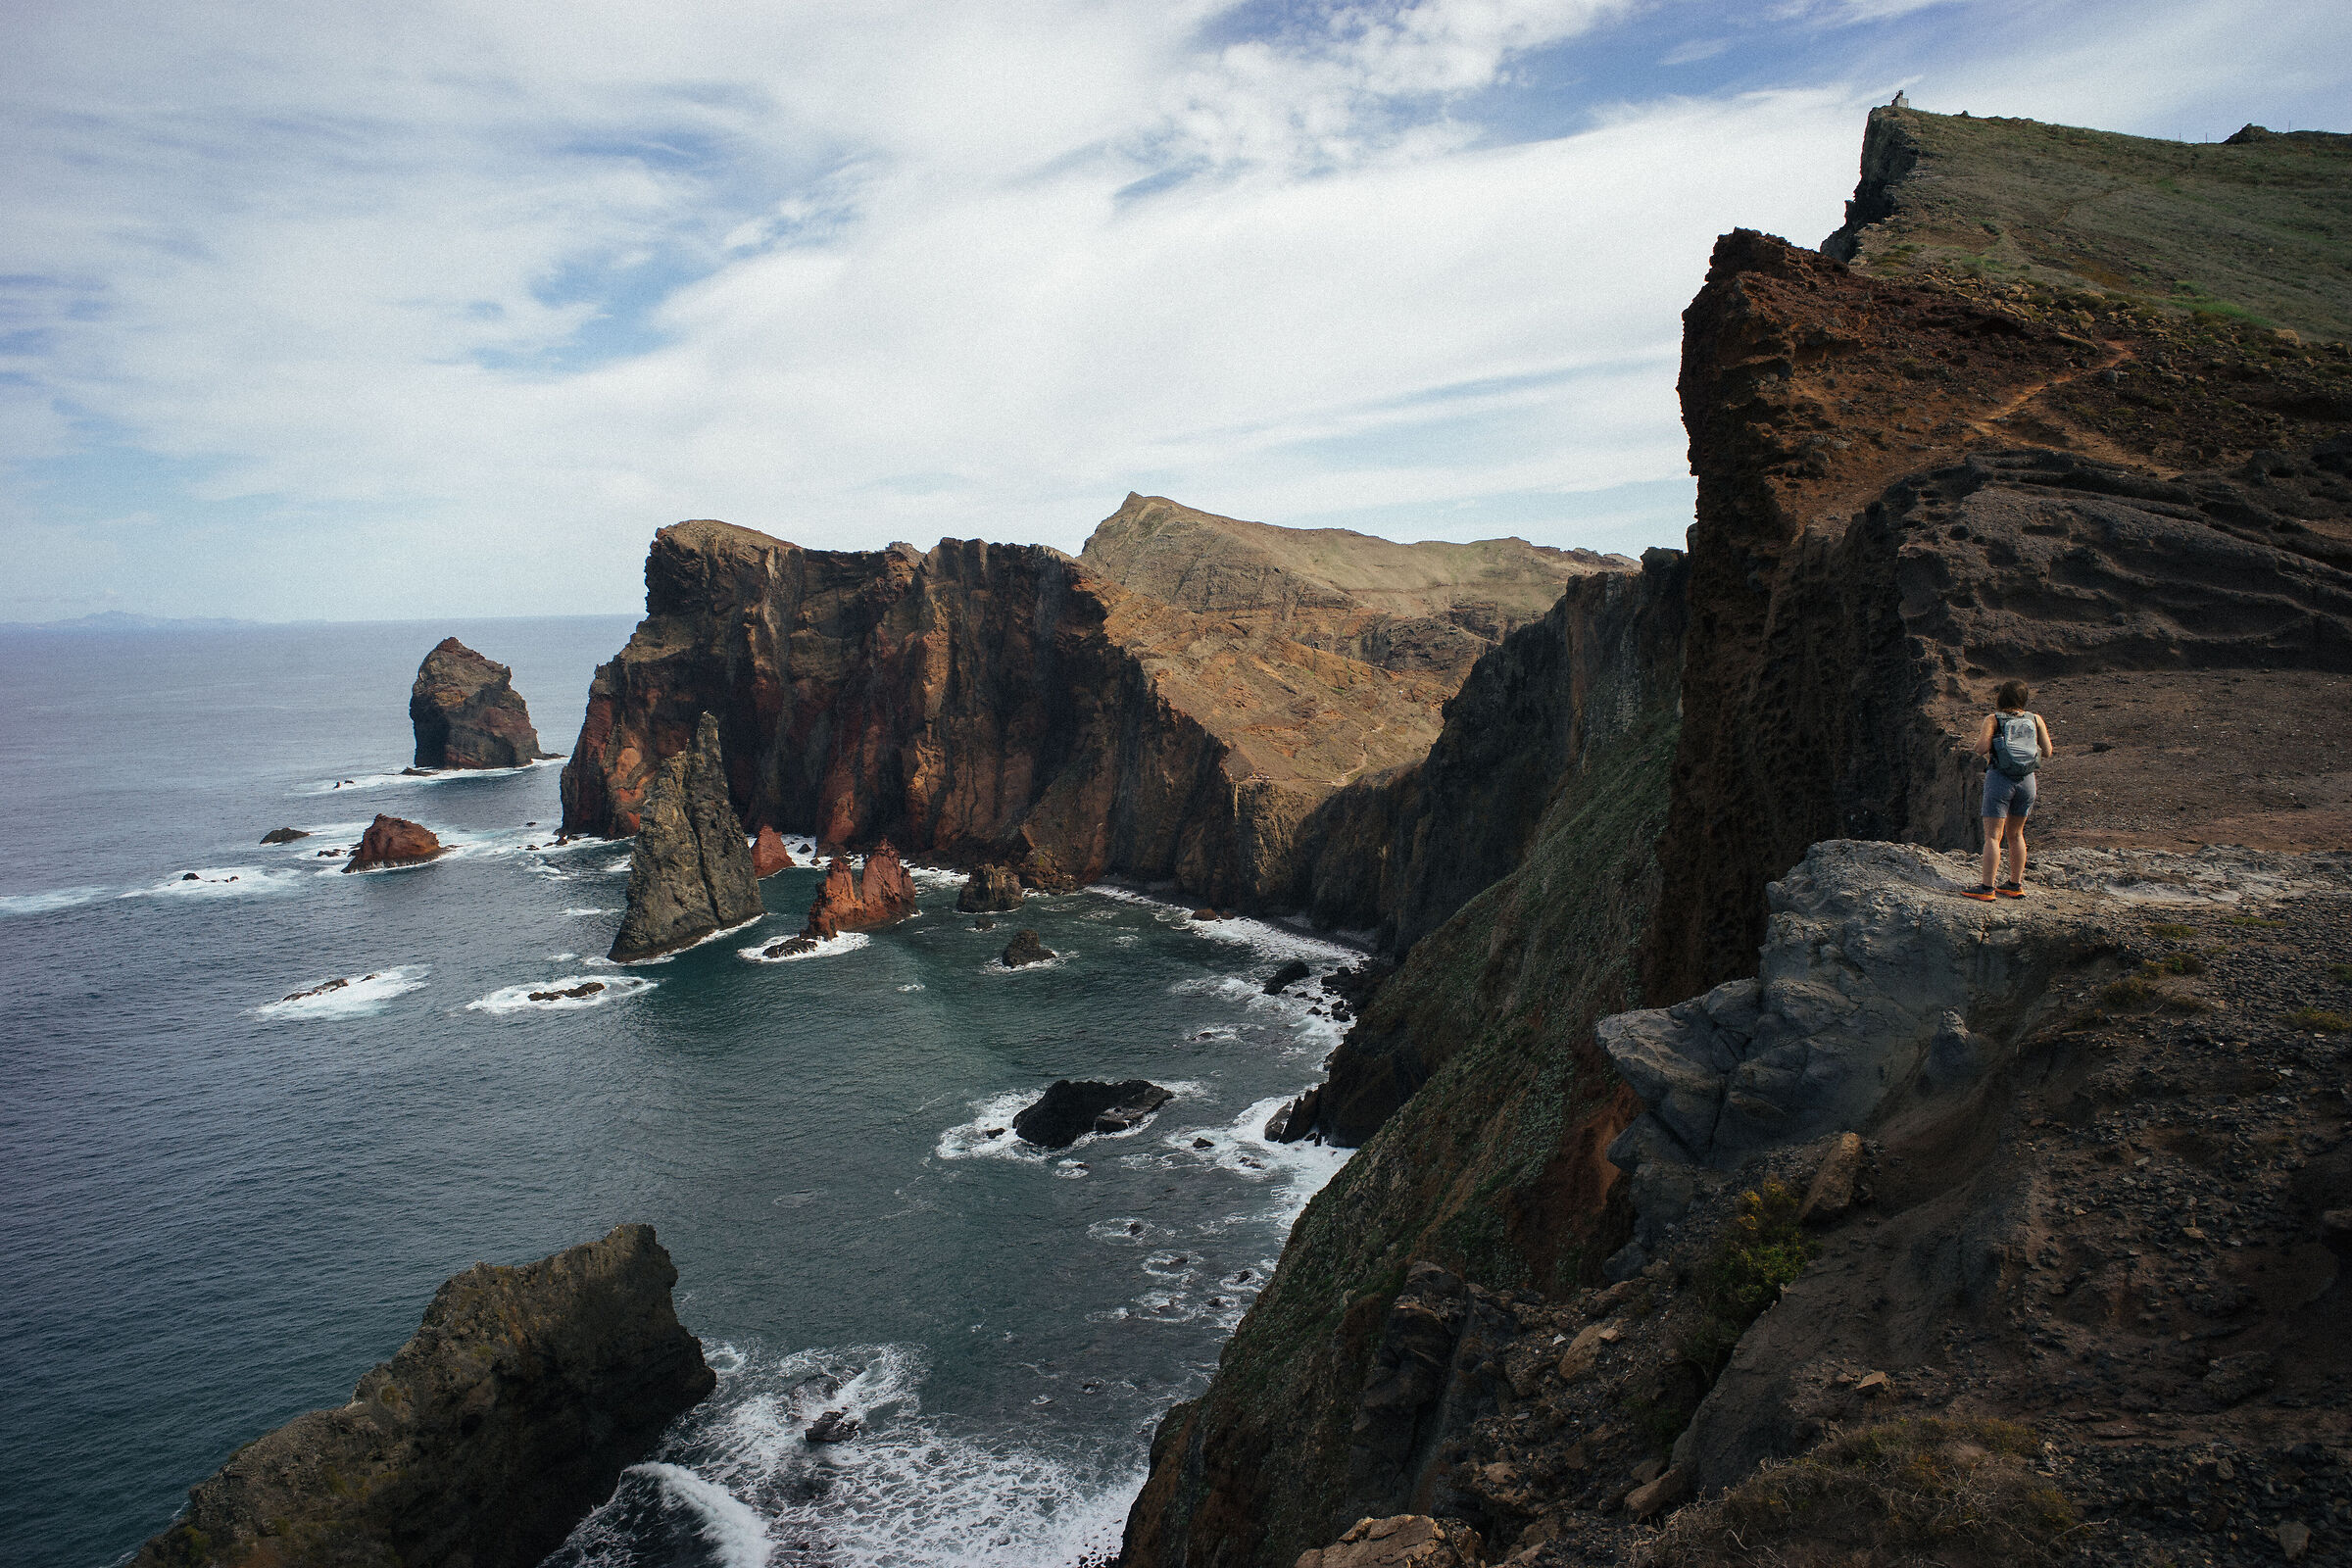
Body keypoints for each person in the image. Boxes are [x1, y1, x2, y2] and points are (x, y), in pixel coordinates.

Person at [1965, 680, 2055, 901]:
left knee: (1993, 836)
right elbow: (2048, 751)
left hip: (2000, 780)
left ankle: (1987, 888)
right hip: (2027, 781)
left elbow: (1981, 748)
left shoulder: (1993, 719)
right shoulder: (2035, 719)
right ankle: (2015, 885)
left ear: (2001, 698)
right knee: (2016, 835)